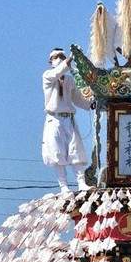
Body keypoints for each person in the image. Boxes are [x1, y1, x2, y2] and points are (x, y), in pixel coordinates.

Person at [42, 48, 90, 193]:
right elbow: (59, 71)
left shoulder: (70, 80)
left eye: (62, 56)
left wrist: (90, 105)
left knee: (75, 149)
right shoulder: (48, 76)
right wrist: (70, 58)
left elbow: (77, 99)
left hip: (68, 119)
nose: (60, 58)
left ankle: (81, 183)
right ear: (50, 61)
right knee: (57, 152)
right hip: (54, 119)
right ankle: (63, 186)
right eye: (56, 56)